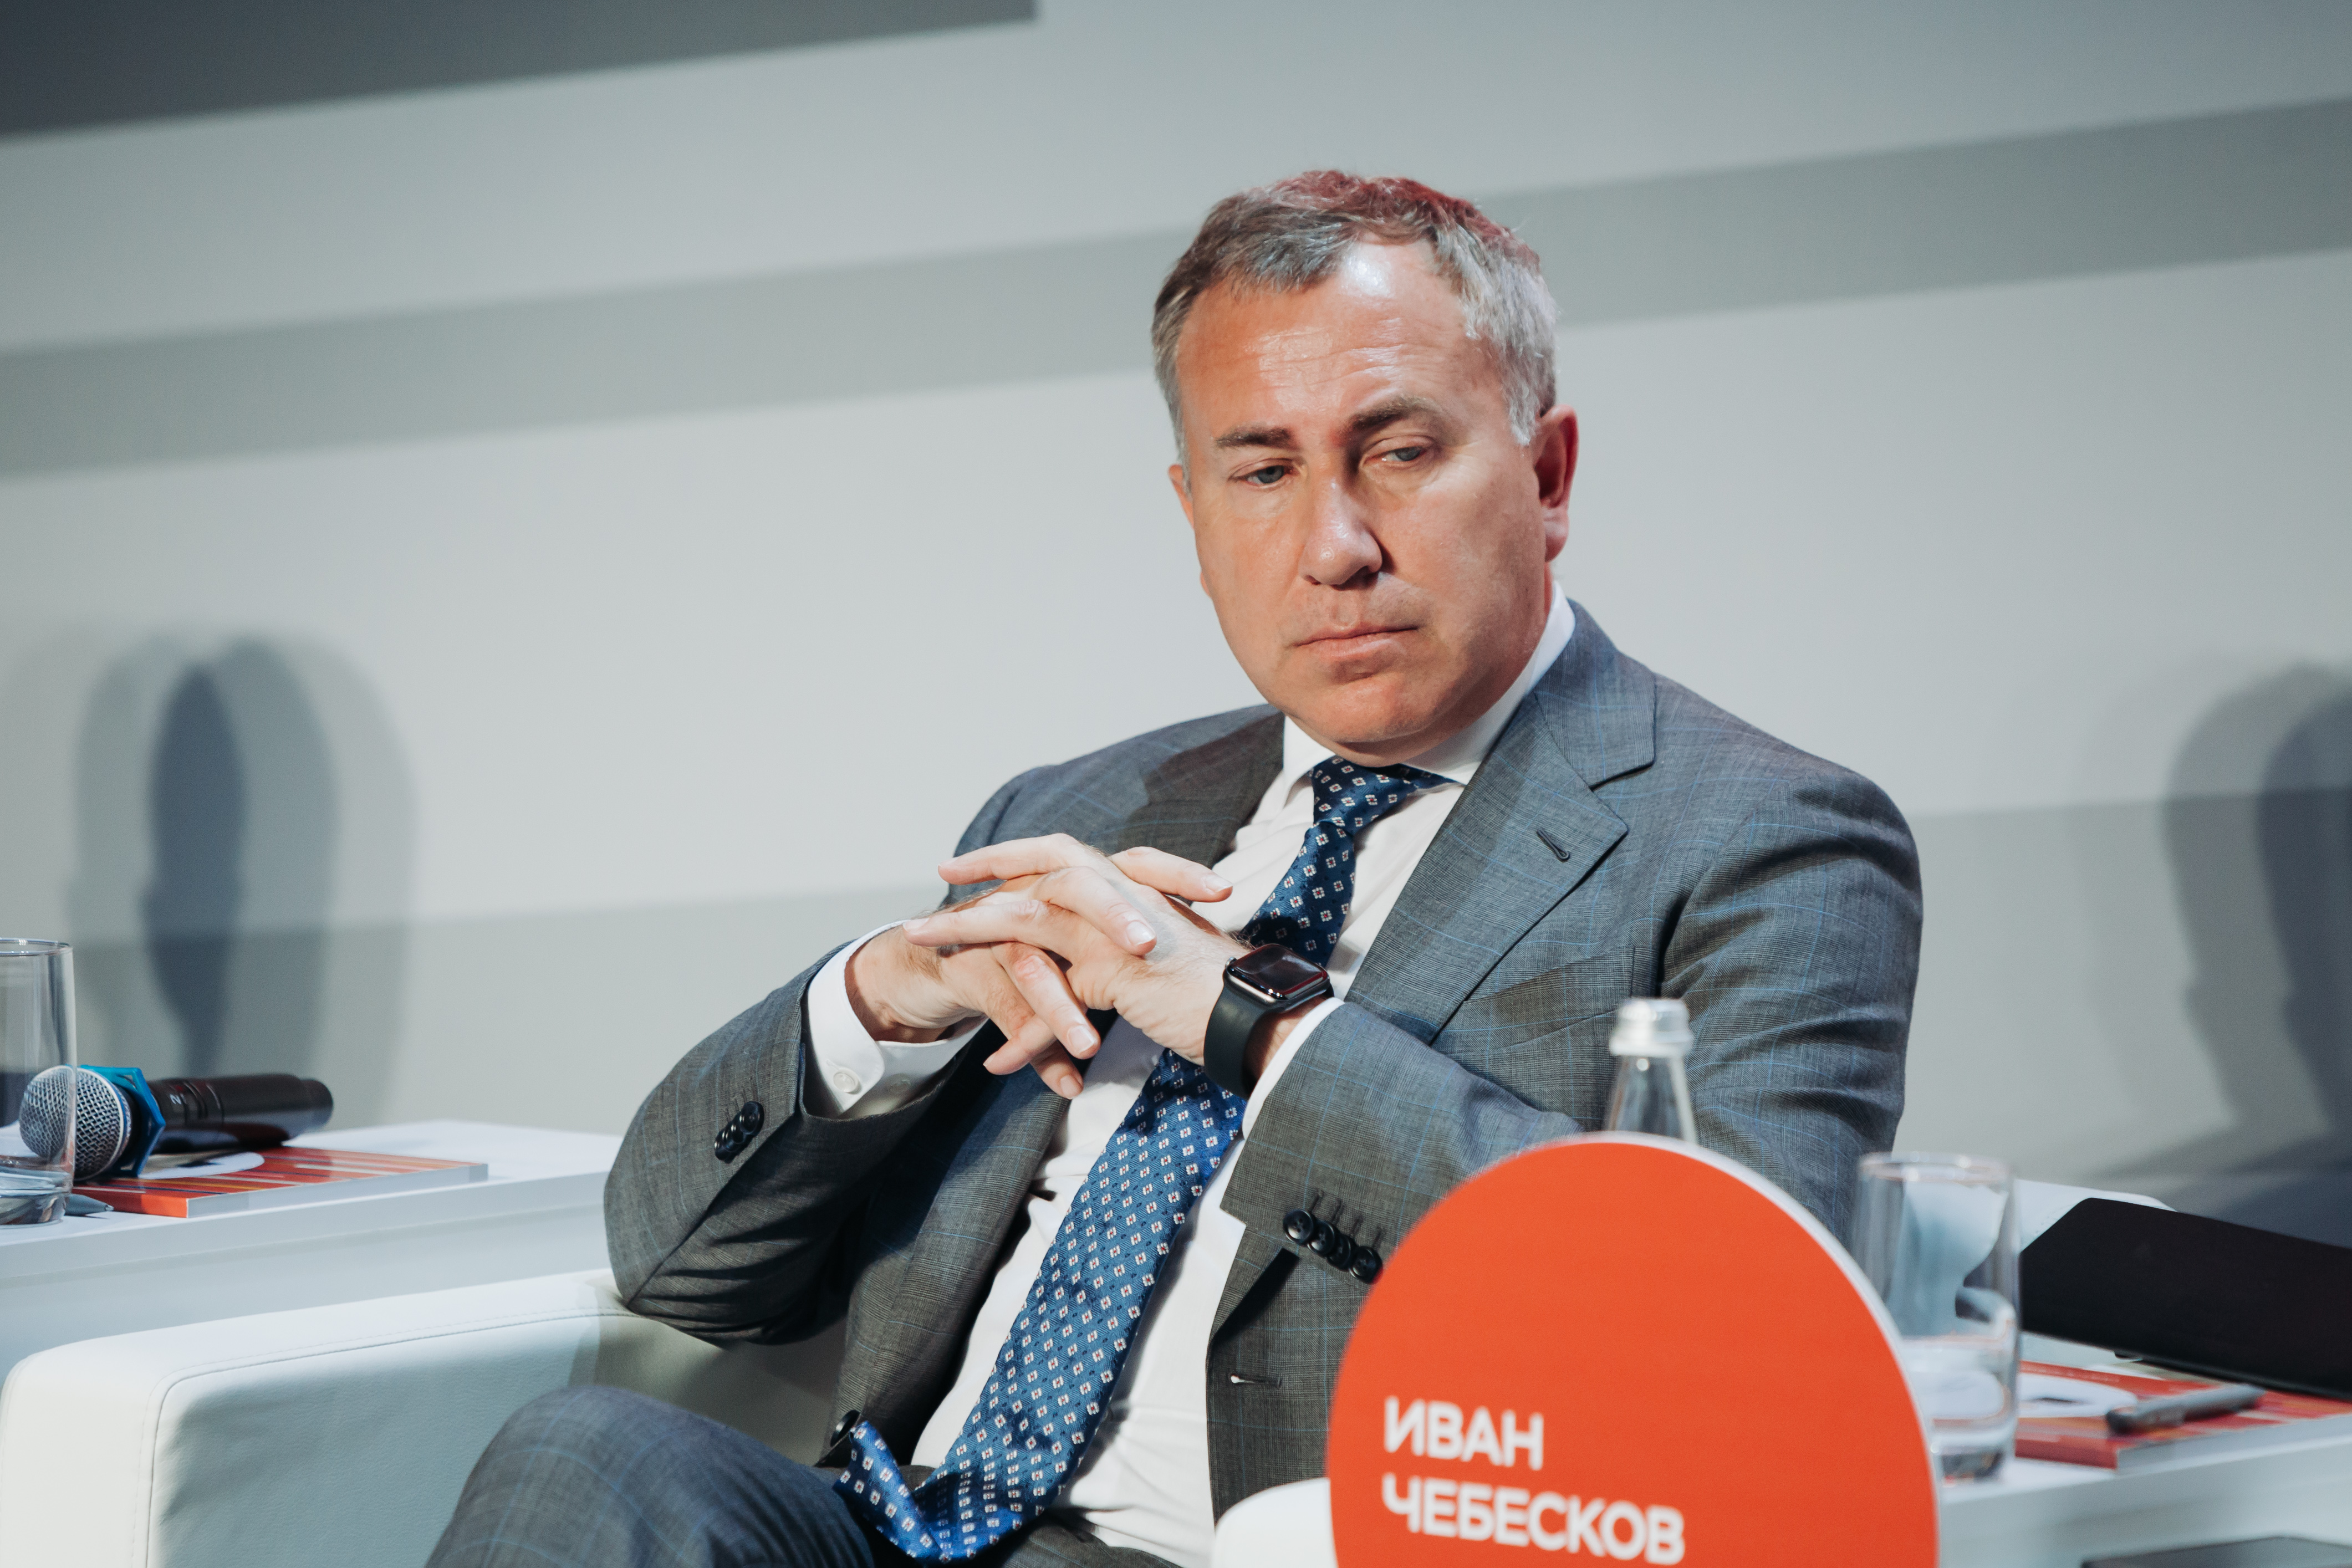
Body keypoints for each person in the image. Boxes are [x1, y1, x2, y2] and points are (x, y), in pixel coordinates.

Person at [428, 172, 1921, 1568]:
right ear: (1193, 514)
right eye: (1261, 471)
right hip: (907, 1525)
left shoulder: (1759, 838)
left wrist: (1253, 1023)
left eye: (1400, 453)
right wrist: (884, 999)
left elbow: (1750, 1346)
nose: (1334, 547)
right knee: (591, 1451)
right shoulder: (1085, 807)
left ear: (1546, 473)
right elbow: (678, 1269)